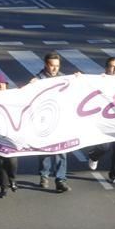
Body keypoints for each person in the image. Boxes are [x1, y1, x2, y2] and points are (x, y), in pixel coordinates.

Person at [30, 52, 70, 193]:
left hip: (59, 121)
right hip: (44, 122)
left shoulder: (64, 78)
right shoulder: (38, 80)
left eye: (57, 66)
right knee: (45, 151)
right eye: (52, 66)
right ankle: (44, 175)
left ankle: (60, 179)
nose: (55, 69)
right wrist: (31, 86)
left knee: (62, 150)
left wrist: (78, 79)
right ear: (46, 65)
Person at [86, 57, 115, 185]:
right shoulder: (100, 80)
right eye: (112, 66)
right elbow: (86, 86)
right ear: (107, 68)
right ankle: (94, 156)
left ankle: (114, 174)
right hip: (103, 120)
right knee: (104, 146)